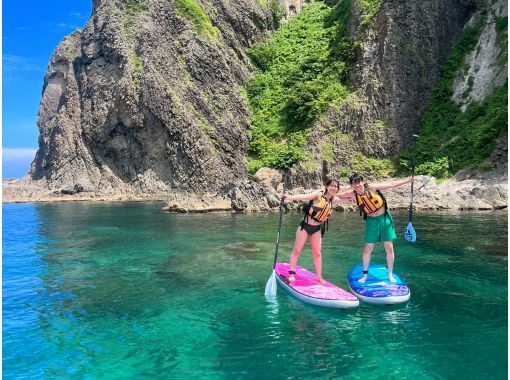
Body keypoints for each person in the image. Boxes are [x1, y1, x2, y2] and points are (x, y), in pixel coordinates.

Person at [336, 173, 414, 283]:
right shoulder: (352, 194)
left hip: (384, 219)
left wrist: (408, 180)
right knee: (368, 248)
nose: (357, 186)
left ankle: (390, 274)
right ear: (351, 185)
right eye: (354, 184)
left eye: (359, 183)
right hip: (371, 221)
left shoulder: (372, 187)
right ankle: (364, 275)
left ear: (362, 181)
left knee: (389, 246)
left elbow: (391, 184)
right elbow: (338, 195)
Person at [281, 178, 349, 283]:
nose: (334, 188)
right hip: (305, 226)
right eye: (332, 185)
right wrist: (288, 197)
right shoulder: (318, 195)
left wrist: (359, 192)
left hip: (317, 229)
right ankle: (291, 273)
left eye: (336, 187)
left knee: (317, 254)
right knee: (297, 250)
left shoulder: (333, 200)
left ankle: (319, 277)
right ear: (327, 186)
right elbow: (303, 197)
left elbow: (349, 198)